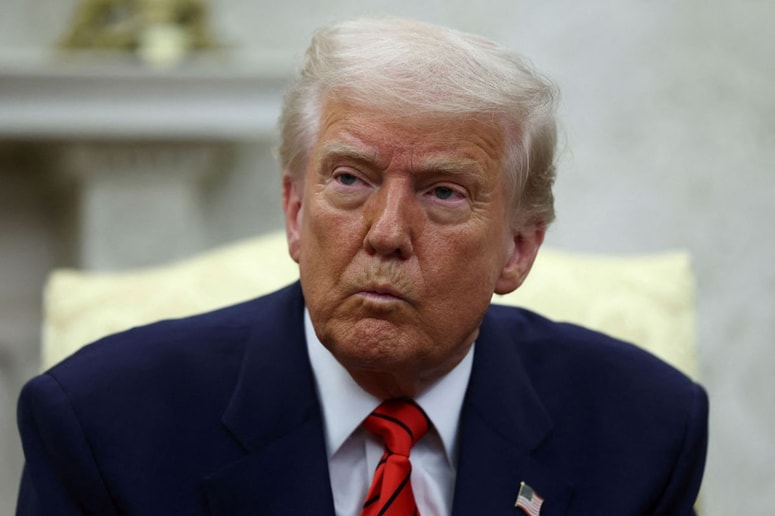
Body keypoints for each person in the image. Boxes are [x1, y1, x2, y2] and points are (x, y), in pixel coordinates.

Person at [16, 17, 708, 516]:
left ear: (519, 248)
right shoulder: (103, 425)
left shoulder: (642, 428)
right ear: (294, 212)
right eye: (349, 179)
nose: (385, 234)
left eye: (442, 192)